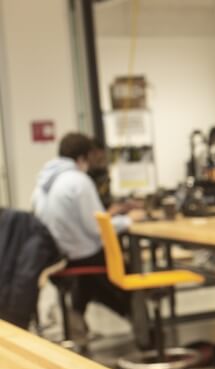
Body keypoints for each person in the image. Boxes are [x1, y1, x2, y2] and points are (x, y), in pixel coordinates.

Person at [31, 133, 136, 336]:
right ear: (83, 157)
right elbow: (98, 228)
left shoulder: (42, 184)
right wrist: (129, 220)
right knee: (123, 269)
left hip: (53, 259)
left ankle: (76, 315)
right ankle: (141, 325)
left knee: (90, 276)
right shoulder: (78, 181)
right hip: (78, 257)